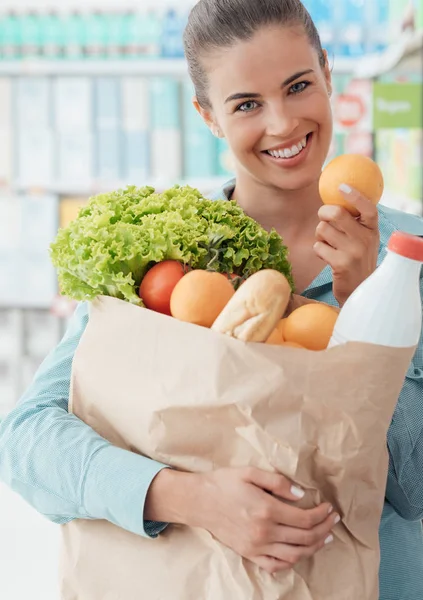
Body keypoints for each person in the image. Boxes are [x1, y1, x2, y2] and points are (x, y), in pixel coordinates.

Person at [1, 0, 422, 597]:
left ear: (328, 74)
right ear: (208, 116)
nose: (281, 124)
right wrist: (188, 497)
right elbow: (27, 441)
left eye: (298, 85)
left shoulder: (410, 260)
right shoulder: (165, 259)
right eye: (247, 104)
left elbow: (416, 490)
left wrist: (368, 310)